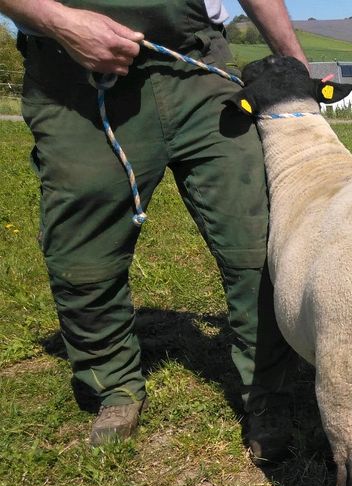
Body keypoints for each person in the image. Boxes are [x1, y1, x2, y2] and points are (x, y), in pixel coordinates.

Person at [0, 0, 306, 461]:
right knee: (84, 257)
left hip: (196, 67)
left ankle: (268, 391)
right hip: (74, 78)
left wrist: (293, 59)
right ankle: (114, 385)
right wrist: (60, 21)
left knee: (260, 240)